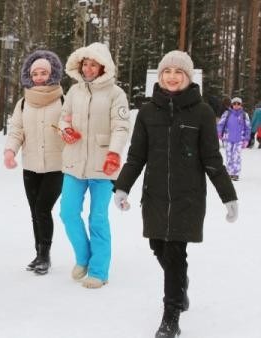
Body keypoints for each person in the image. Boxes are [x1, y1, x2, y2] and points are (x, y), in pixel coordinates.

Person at [113, 50, 238, 338]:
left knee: (174, 252)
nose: (171, 76)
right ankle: (180, 284)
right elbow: (136, 156)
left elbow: (212, 159)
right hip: (155, 194)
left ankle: (171, 317)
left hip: (188, 197)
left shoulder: (203, 112)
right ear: (160, 76)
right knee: (158, 246)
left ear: (188, 77)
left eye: (178, 72)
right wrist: (122, 186)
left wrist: (228, 196)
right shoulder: (147, 111)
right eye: (167, 71)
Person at [56, 42, 130, 289]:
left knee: (97, 218)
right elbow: (63, 117)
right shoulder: (74, 91)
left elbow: (121, 127)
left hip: (102, 166)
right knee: (67, 213)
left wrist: (114, 154)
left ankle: (98, 270)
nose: (88, 69)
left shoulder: (116, 93)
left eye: (93, 64)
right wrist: (66, 130)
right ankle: (83, 257)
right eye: (85, 64)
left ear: (103, 67)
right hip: (74, 163)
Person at [3, 50, 65, 275]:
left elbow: (70, 128)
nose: (39, 77)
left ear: (52, 73)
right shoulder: (23, 102)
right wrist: (10, 151)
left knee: (42, 208)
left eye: (44, 72)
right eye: (35, 73)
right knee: (34, 210)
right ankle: (39, 252)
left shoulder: (62, 100)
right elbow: (17, 130)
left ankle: (45, 254)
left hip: (57, 166)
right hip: (30, 166)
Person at [216, 97, 251, 181]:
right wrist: (219, 133)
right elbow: (220, 124)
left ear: (241, 105)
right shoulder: (227, 113)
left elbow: (248, 127)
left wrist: (246, 139)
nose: (236, 105)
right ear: (232, 104)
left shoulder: (244, 115)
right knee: (229, 156)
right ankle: (229, 172)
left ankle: (235, 173)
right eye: (234, 103)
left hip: (239, 139)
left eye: (238, 103)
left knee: (236, 156)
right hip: (228, 139)